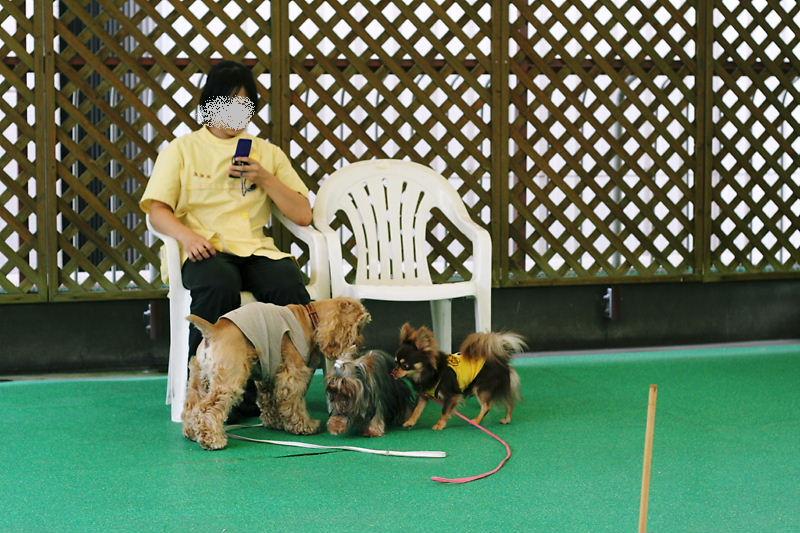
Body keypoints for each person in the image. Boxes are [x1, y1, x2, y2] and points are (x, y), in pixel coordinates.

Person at [140, 60, 312, 418]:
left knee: (287, 283)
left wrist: (265, 178)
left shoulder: (267, 153)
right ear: (209, 104)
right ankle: (206, 392)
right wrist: (187, 237)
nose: (235, 114)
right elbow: (156, 210)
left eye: (244, 106)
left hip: (254, 248)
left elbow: (302, 214)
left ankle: (281, 393)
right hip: (204, 248)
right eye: (227, 104)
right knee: (219, 285)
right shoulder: (182, 150)